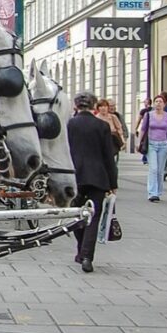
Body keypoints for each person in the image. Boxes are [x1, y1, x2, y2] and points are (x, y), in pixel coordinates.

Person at [66, 91, 117, 273]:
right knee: (93, 217)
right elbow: (108, 156)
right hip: (98, 176)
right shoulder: (102, 126)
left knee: (77, 214)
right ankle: (87, 256)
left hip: (75, 176)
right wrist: (113, 182)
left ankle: (81, 250)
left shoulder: (70, 124)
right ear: (94, 106)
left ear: (76, 106)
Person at [137, 94, 167, 202]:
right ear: (154, 104)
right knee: (153, 168)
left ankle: (158, 191)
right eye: (156, 101)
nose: (158, 103)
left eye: (160, 102)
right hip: (151, 144)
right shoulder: (148, 115)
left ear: (164, 104)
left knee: (160, 170)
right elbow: (143, 129)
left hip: (163, 145)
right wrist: (139, 143)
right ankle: (152, 193)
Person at [135, 97, 152, 164]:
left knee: (144, 142)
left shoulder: (143, 111)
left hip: (145, 129)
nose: (144, 103)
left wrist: (135, 128)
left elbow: (139, 120)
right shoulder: (153, 110)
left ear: (147, 103)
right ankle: (146, 158)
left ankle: (145, 158)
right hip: (152, 129)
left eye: (144, 102)